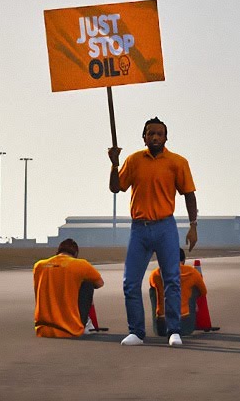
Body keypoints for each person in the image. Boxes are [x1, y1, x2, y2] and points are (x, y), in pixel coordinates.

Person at [108, 116, 199, 347]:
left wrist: (193, 226)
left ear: (166, 137)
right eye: (151, 133)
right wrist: (114, 164)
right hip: (139, 229)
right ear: (144, 137)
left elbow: (189, 193)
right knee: (130, 282)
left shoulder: (177, 162)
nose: (155, 137)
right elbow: (116, 187)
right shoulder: (134, 160)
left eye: (159, 133)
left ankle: (174, 330)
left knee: (172, 280)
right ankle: (136, 332)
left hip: (165, 226)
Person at [33, 238, 104, 338]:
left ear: (58, 251)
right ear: (75, 253)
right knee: (87, 284)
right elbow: (99, 283)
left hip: (43, 330)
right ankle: (84, 323)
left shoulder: (39, 266)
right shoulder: (80, 264)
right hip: (70, 330)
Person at [149, 248, 207, 337]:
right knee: (194, 289)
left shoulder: (155, 273)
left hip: (161, 327)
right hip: (185, 326)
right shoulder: (192, 272)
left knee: (153, 290)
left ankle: (159, 314)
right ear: (183, 260)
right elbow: (203, 292)